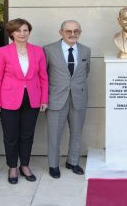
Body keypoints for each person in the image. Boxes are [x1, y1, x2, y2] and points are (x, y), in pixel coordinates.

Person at [0, 19, 48, 184]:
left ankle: (24, 165)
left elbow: (44, 77)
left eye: (25, 30)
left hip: (32, 98)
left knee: (27, 135)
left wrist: (44, 99)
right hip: (8, 98)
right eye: (18, 31)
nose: (22, 34)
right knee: (10, 136)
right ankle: (12, 167)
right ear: (11, 34)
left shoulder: (38, 51)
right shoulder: (3, 52)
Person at [43, 20, 91, 178]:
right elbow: (43, 74)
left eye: (76, 31)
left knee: (76, 132)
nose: (72, 34)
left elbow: (85, 72)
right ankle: (53, 165)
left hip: (78, 97)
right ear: (61, 32)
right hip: (56, 98)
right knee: (54, 134)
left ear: (80, 32)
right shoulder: (49, 50)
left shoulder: (85, 50)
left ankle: (73, 161)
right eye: (68, 31)